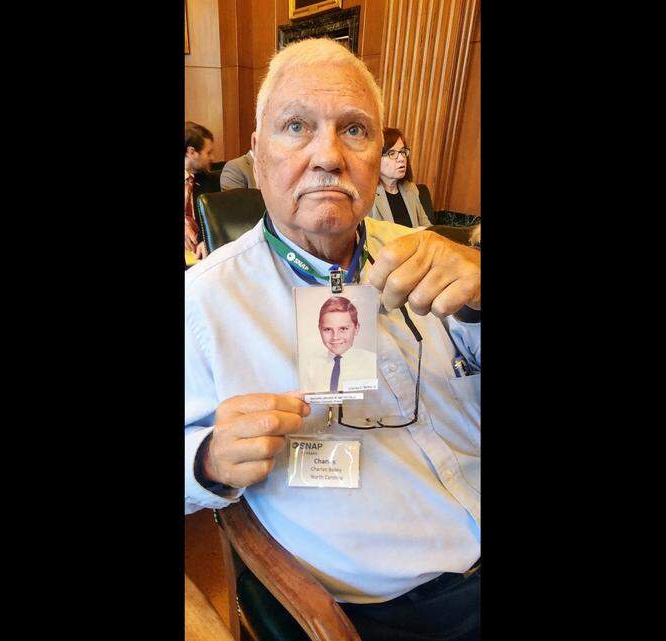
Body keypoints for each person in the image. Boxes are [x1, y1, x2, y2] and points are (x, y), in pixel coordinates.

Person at [185, 37, 481, 641]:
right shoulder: (203, 304)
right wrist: (208, 460)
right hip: (393, 607)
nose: (328, 156)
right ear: (257, 153)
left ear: (379, 155)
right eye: (296, 126)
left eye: (354, 130)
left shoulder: (429, 258)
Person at [301, 296, 377, 392]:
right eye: (328, 329)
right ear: (319, 329)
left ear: (356, 328)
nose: (335, 337)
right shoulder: (312, 366)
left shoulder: (372, 362)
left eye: (343, 329)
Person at [368, 127, 432, 228]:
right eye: (392, 153)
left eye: (402, 152)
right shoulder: (368, 195)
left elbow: (428, 229)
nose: (401, 158)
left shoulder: (411, 189)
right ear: (376, 159)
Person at [185, 122, 215, 266]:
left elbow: (216, 219)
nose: (213, 157)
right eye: (208, 153)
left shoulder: (210, 182)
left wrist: (207, 240)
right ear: (191, 152)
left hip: (200, 260)